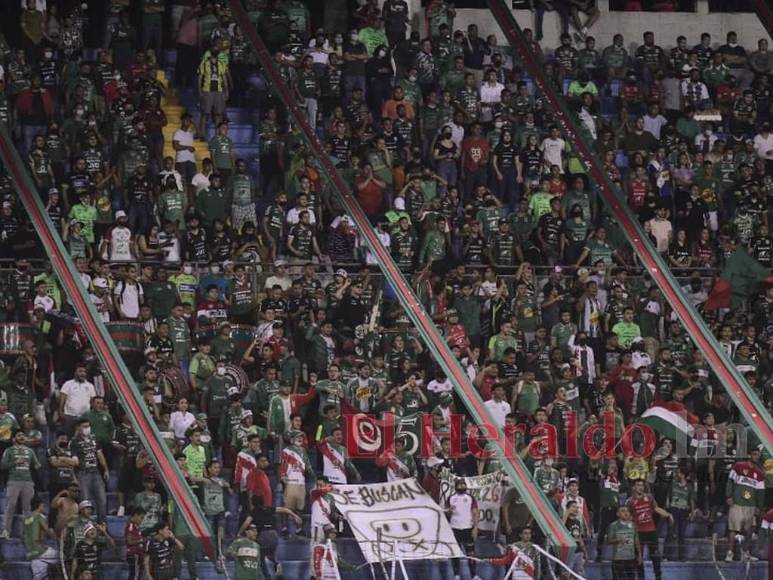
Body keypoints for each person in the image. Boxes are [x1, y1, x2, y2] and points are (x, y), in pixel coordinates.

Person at [606, 505, 641, 580]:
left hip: (631, 558)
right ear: (618, 514)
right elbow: (608, 541)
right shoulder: (613, 525)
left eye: (627, 511)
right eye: (623, 511)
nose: (626, 513)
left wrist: (639, 555)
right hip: (618, 559)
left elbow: (636, 541)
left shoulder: (633, 525)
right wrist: (618, 540)